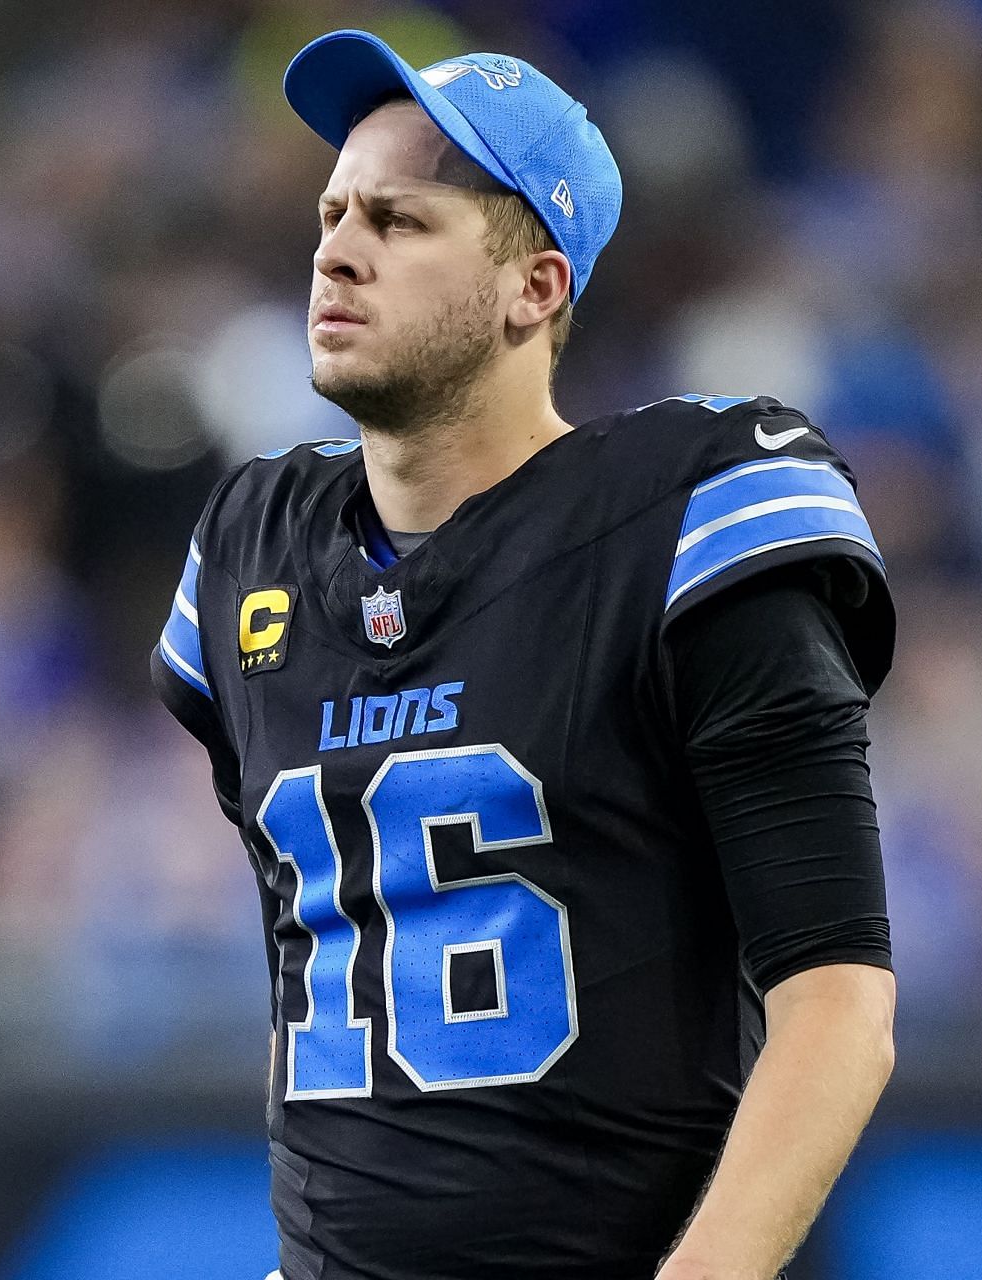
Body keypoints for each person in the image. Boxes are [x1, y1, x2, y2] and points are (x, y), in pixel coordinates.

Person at [152, 28, 897, 1280]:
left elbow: (838, 1003)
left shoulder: (684, 514)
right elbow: (328, 969)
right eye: (333, 210)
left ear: (534, 286)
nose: (335, 247)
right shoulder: (251, 546)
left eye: (400, 219)